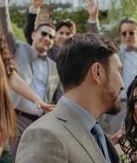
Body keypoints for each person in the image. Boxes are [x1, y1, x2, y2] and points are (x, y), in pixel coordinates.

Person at [16, 33, 123, 163]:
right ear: (98, 72)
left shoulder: (97, 132)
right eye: (119, 71)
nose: (122, 85)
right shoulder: (45, 135)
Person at [0, 0, 63, 158]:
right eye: (43, 34)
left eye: (51, 37)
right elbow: (6, 29)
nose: (47, 39)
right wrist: (2, 0)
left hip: (41, 123)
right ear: (33, 34)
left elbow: (58, 98)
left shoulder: (55, 67)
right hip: (16, 118)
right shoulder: (18, 48)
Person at [100, 17, 137, 140]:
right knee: (116, 141)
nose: (127, 36)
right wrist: (93, 18)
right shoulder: (114, 54)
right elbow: (97, 42)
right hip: (120, 104)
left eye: (131, 32)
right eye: (124, 33)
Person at [23, 0, 100, 60]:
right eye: (61, 33)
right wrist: (35, 8)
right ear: (55, 35)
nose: (64, 36)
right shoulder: (46, 49)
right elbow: (30, 33)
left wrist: (93, 17)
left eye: (68, 34)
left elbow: (92, 44)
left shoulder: (77, 55)